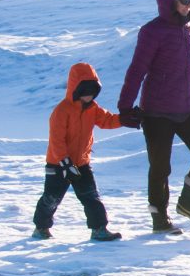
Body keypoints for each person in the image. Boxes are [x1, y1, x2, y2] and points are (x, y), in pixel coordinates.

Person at [118, 0, 190, 235]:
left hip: (187, 107)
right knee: (160, 167)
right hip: (157, 112)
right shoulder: (152, 31)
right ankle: (159, 218)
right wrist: (125, 107)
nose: (188, 5)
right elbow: (137, 69)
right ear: (168, 0)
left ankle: (188, 200)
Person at [33, 62, 138, 241]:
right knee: (51, 198)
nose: (89, 95)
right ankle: (41, 228)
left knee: (91, 197)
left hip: (81, 163)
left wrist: (124, 119)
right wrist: (65, 163)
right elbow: (57, 140)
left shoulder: (93, 108)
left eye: (92, 90)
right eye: (84, 90)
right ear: (76, 88)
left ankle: (99, 229)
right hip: (58, 165)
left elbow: (106, 121)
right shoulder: (62, 110)